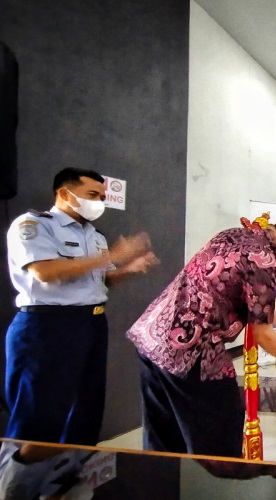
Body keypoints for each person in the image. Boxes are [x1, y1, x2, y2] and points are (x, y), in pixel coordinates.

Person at [126, 214, 276, 458]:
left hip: (152, 334)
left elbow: (221, 283)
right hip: (191, 350)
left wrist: (273, 314)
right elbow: (262, 334)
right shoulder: (265, 261)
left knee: (163, 433)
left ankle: (159, 485)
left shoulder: (234, 234)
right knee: (222, 427)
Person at [4, 167, 157, 446]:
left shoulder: (94, 235)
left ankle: (67, 478)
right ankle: (17, 485)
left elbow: (98, 281)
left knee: (85, 411)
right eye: (92, 194)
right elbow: (45, 272)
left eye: (101, 196)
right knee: (38, 416)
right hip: (47, 327)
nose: (98, 202)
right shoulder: (36, 225)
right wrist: (111, 255)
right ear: (64, 193)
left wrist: (128, 269)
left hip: (91, 324)